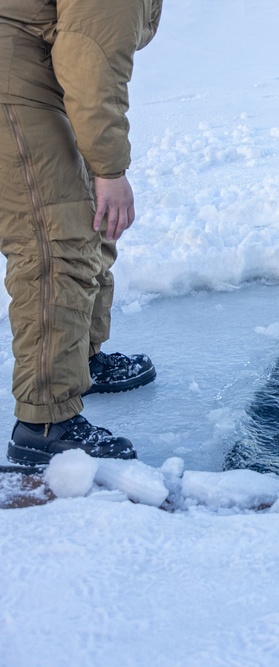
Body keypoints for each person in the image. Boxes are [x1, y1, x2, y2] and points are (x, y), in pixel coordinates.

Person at [1, 0, 162, 466]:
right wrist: (110, 169)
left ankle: (79, 362)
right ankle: (44, 423)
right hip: (13, 86)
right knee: (52, 241)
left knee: (84, 216)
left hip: (35, 78)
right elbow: (89, 60)